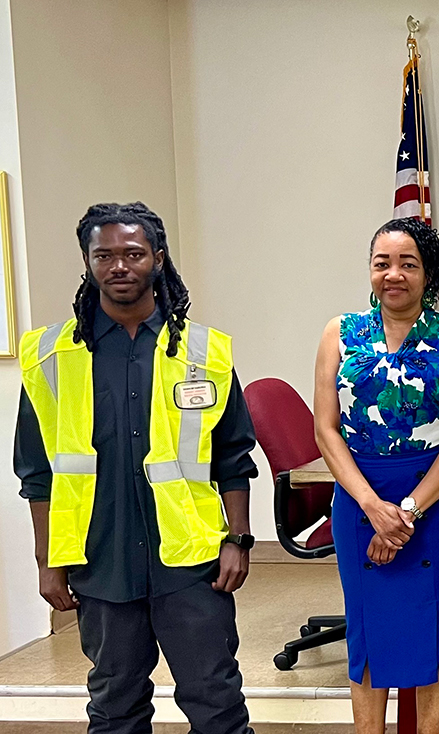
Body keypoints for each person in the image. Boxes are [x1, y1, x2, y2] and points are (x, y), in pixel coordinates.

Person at [14, 202, 259, 734]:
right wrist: (46, 560)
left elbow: (233, 456)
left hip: (191, 562)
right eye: (104, 255)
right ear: (87, 261)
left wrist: (237, 539)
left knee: (216, 702)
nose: (118, 266)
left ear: (158, 258)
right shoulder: (48, 357)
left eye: (132, 253)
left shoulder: (204, 351)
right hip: (99, 560)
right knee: (114, 706)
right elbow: (36, 474)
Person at [312, 218, 439, 734]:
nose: (394, 274)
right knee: (368, 631)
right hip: (360, 502)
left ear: (428, 273)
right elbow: (324, 429)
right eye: (382, 262)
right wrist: (372, 507)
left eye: (408, 263)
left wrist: (406, 513)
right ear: (370, 270)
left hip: (436, 503)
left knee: (436, 631)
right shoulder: (339, 333)